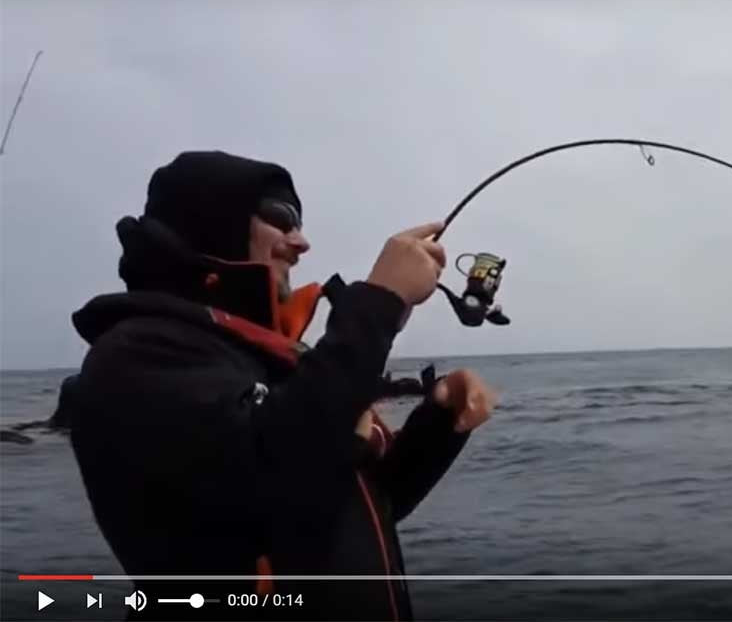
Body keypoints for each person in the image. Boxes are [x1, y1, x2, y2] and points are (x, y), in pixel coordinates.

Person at [68, 151, 497, 621]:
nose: (301, 242)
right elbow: (275, 477)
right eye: (282, 217)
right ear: (212, 220)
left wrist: (438, 422)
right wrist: (379, 304)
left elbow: (353, 503)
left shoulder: (265, 360)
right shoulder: (137, 355)